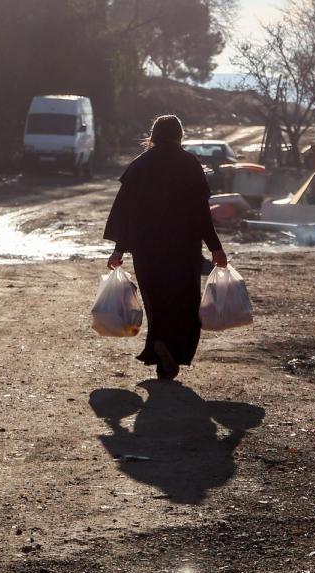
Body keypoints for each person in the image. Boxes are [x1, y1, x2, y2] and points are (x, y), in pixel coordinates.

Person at [104, 115, 227, 380]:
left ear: (154, 135)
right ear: (179, 136)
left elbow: (125, 212)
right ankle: (171, 356)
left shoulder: (139, 165)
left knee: (157, 304)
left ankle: (160, 350)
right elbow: (200, 213)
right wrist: (215, 248)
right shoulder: (189, 164)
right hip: (183, 249)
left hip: (146, 249)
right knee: (183, 303)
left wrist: (118, 250)